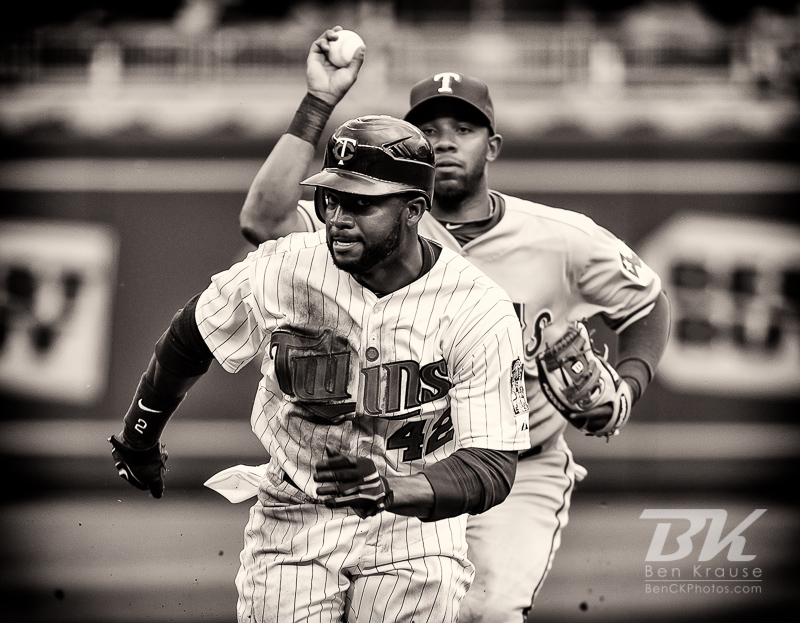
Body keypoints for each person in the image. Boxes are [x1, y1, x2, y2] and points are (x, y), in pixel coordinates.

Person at [238, 27, 672, 622]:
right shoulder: (365, 225)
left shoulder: (561, 237)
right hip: (390, 459)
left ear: (492, 147)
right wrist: (318, 103)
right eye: (429, 132)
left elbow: (647, 302)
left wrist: (627, 385)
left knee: (487, 611)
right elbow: (264, 221)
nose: (444, 143)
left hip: (518, 463)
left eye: (462, 130)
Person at [107, 113, 532, 623]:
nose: (338, 218)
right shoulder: (286, 266)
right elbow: (188, 339)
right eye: (332, 198)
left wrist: (391, 488)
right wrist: (140, 435)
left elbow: (491, 468)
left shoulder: (476, 307)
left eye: (362, 204)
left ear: (415, 209)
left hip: (415, 530)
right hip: (295, 514)